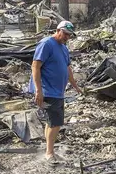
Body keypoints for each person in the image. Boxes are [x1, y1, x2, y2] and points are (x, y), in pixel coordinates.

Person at [29, 21, 83, 162]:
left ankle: (49, 149)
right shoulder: (46, 44)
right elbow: (35, 66)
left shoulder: (63, 48)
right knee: (57, 122)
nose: (66, 37)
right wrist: (38, 90)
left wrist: (75, 85)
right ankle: (49, 153)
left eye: (69, 35)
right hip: (48, 90)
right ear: (57, 30)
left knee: (51, 121)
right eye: (65, 34)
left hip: (58, 91)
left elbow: (67, 68)